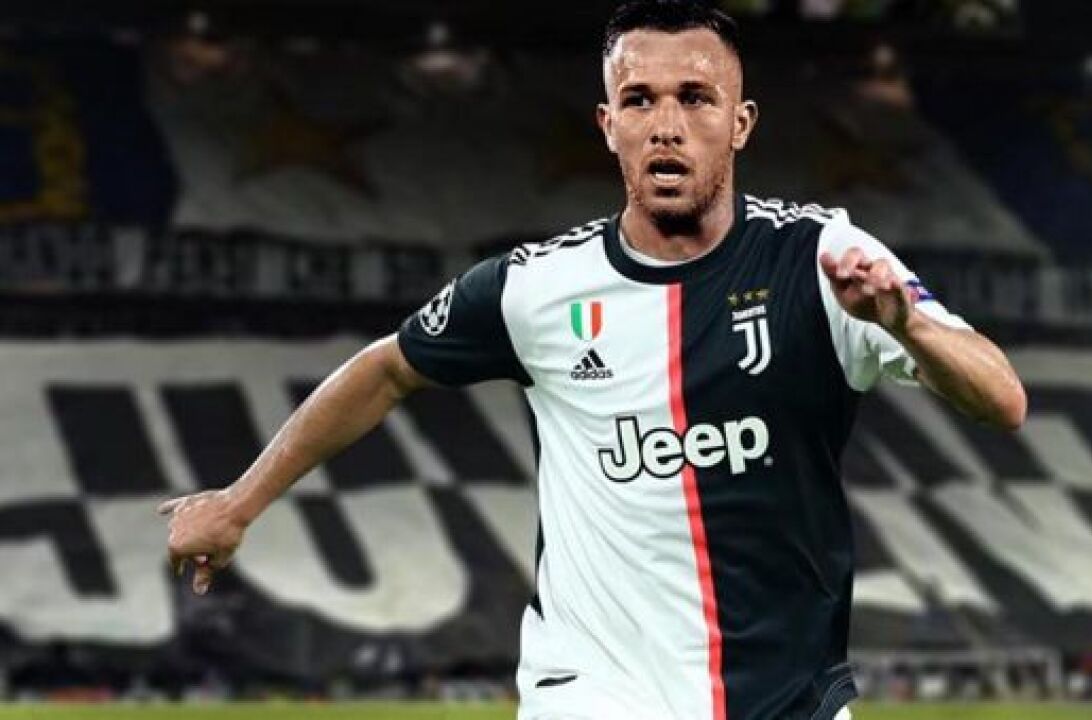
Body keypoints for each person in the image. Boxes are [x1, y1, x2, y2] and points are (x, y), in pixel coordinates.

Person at [159, 2, 1026, 718]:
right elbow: (387, 367)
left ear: (741, 123)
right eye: (640, 100)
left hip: (787, 697)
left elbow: (1002, 398)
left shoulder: (823, 259)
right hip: (594, 692)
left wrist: (906, 325)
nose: (667, 126)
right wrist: (239, 502)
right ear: (609, 127)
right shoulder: (537, 288)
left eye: (696, 98)